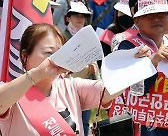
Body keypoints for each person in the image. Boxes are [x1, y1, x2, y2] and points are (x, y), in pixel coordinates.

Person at [0, 23, 152, 135]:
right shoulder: (12, 92)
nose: (55, 59)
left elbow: (109, 90)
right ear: (25, 56)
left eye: (60, 53)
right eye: (48, 53)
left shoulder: (72, 87)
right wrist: (37, 74)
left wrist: (133, 62)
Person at [117, 0, 168, 136]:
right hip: (144, 127)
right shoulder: (128, 47)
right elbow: (136, 90)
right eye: (149, 14)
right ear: (136, 20)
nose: (157, 18)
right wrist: (153, 61)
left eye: (161, 14)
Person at [64, 1, 97, 136]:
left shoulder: (89, 37)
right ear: (68, 18)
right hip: (67, 87)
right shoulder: (61, 37)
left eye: (82, 16)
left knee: (84, 121)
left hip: (86, 86)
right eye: (76, 15)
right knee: (69, 123)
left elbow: (94, 60)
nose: (79, 19)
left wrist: (97, 78)